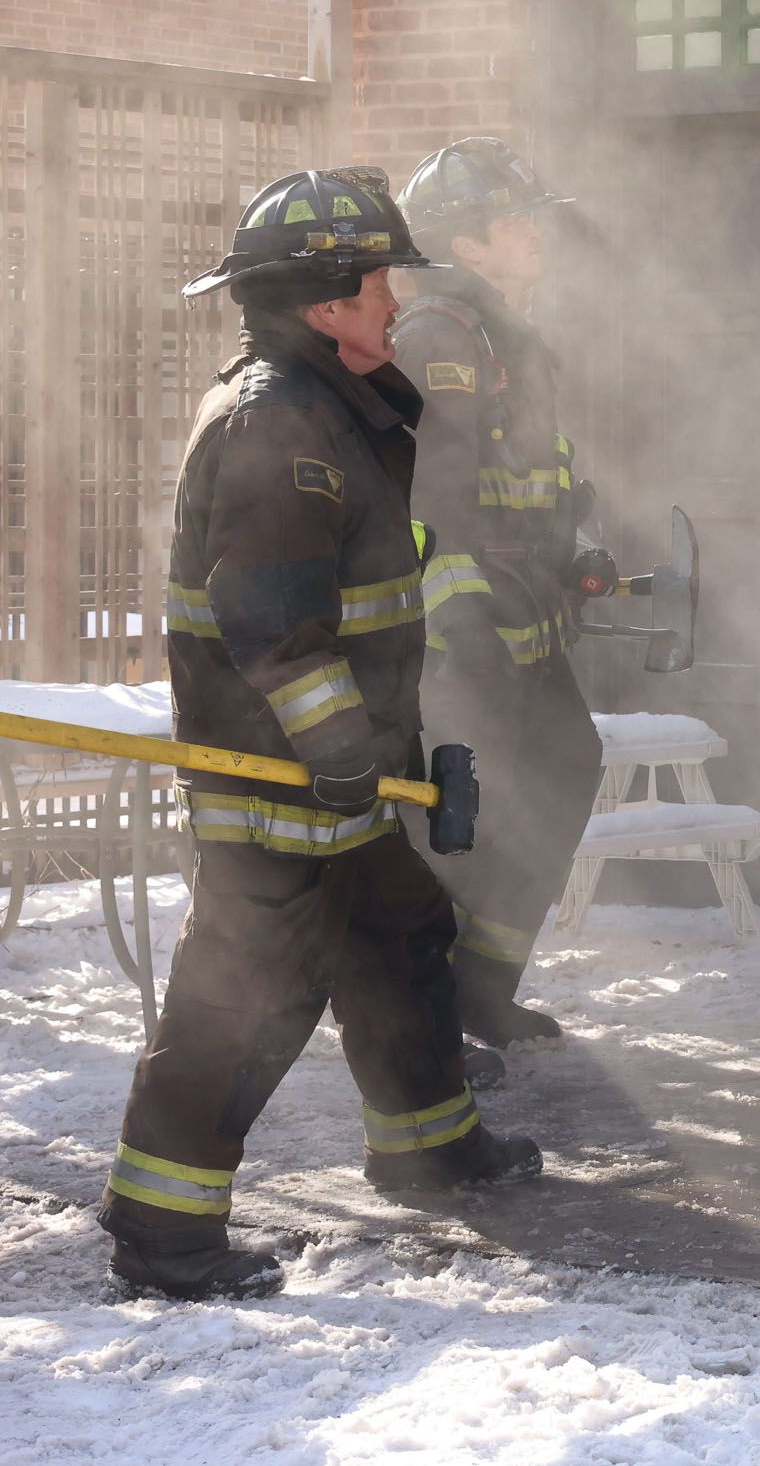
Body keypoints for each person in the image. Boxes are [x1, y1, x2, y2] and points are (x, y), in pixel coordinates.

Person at [103, 168, 542, 1302]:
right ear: (325, 301)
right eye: (379, 278)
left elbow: (375, 587)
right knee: (247, 992)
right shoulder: (277, 428)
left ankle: (429, 1145)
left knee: (403, 934)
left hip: (351, 766)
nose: (396, 298)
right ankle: (164, 1229)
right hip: (284, 777)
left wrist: (387, 751)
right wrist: (342, 750)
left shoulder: (335, 409)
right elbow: (274, 628)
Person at [390, 138, 607, 1053]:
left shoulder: (515, 338)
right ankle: (422, 1012)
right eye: (515, 220)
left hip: (526, 627)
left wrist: (581, 547)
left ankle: (483, 987)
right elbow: (425, 504)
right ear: (467, 244)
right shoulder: (441, 337)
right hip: (465, 644)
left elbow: (544, 478)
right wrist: (461, 621)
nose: (536, 232)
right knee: (458, 826)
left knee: (561, 773)